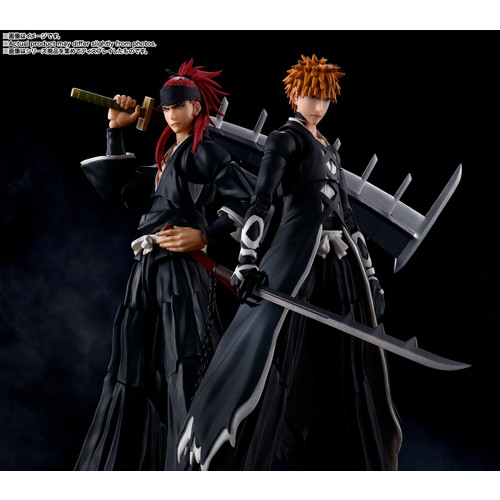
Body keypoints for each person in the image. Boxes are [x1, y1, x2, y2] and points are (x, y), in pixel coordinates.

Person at [177, 55, 402, 470]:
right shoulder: (285, 139)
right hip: (297, 261)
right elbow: (261, 201)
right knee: (274, 351)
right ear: (295, 95)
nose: (318, 104)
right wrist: (246, 261)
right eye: (311, 95)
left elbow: (349, 219)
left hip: (340, 264)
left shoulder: (328, 149)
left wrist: (371, 276)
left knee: (350, 358)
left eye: (325, 98)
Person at [74, 60, 254, 470]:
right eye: (167, 107)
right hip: (148, 265)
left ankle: (194, 464)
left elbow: (248, 200)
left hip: (181, 266)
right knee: (132, 361)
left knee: (186, 360)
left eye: (179, 106)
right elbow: (119, 189)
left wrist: (205, 234)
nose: (171, 114)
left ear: (196, 107)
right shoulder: (167, 157)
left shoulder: (201, 152)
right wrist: (116, 130)